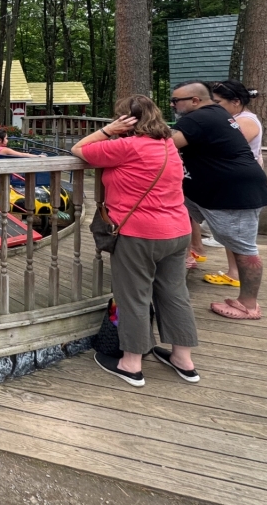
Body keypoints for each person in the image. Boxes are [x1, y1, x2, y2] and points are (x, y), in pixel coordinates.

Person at [72, 95, 198, 387]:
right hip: (178, 230)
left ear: (125, 121)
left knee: (133, 297)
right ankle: (183, 359)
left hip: (139, 234)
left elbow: (78, 149)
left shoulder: (127, 146)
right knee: (175, 294)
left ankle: (131, 363)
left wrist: (108, 131)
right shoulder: (168, 144)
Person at [171, 82, 267, 320]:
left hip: (233, 192)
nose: (173, 105)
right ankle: (186, 257)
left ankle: (249, 305)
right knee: (178, 212)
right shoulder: (215, 114)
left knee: (244, 249)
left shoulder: (200, 117)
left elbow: (167, 144)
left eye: (176, 101)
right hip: (206, 190)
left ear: (195, 101)